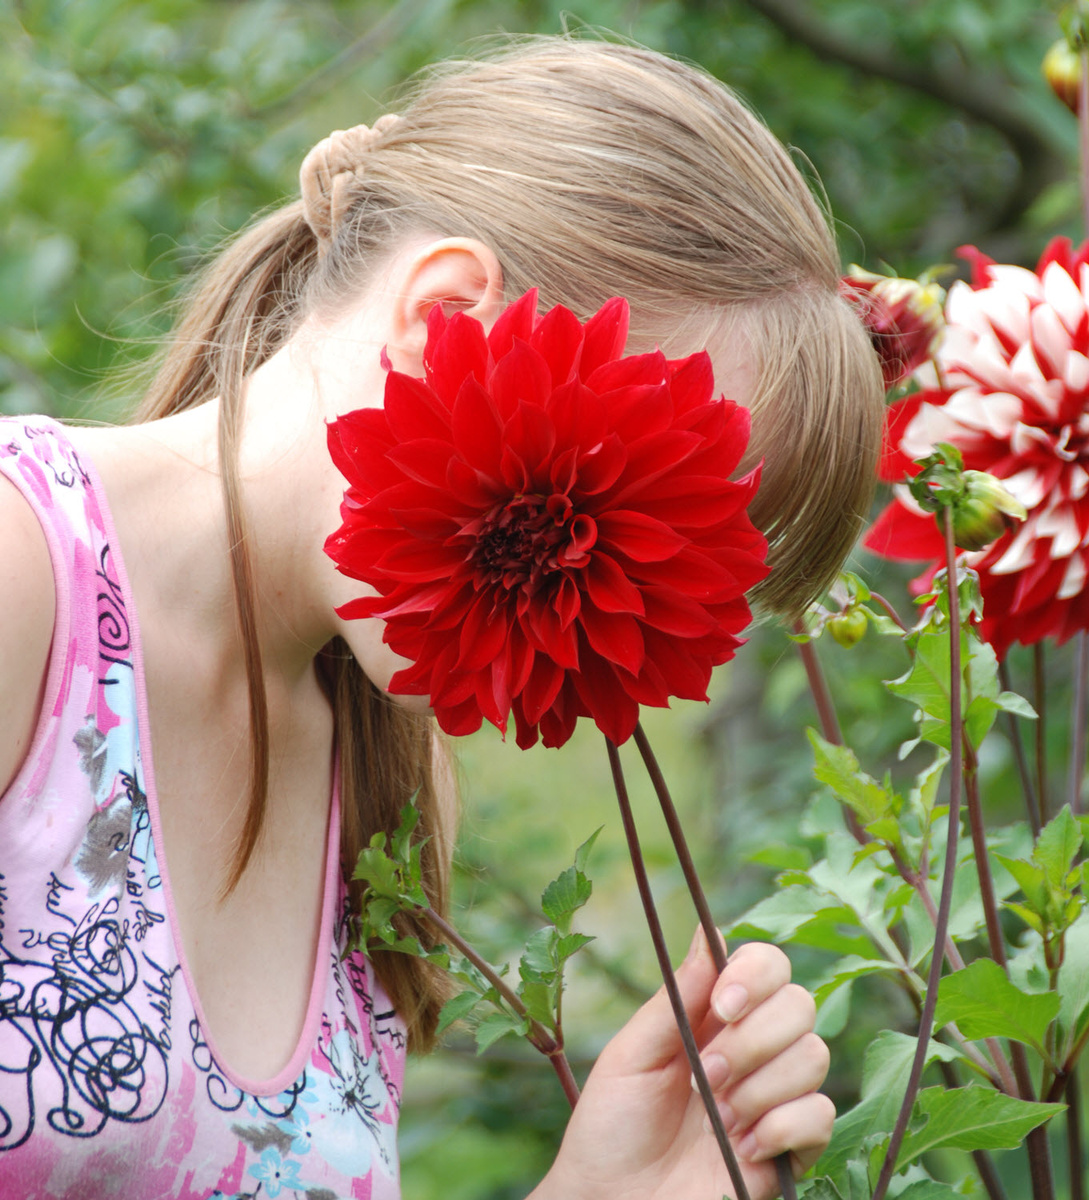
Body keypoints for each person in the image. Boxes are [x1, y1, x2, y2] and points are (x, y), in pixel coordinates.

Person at [0, 35, 883, 1200]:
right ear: (448, 315)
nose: (625, 607)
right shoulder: (24, 579)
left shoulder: (384, 776)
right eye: (633, 509)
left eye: (689, 575)